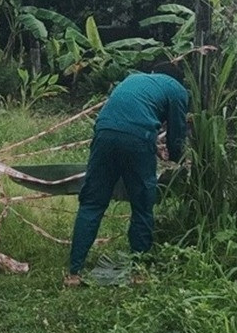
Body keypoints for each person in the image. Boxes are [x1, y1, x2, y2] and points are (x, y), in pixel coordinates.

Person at [65, 63, 189, 286]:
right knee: (142, 205)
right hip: (137, 139)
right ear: (179, 79)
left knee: (92, 203)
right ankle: (139, 272)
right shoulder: (177, 89)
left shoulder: (133, 79)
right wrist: (179, 159)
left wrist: (152, 145)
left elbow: (125, 114)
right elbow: (177, 134)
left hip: (104, 134)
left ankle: (74, 272)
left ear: (154, 73)